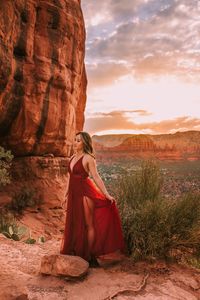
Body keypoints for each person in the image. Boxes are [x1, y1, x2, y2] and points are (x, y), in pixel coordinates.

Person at [60, 131, 125, 267]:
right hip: (73, 194)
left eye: (78, 140)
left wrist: (106, 194)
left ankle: (90, 256)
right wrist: (65, 195)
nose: (75, 142)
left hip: (85, 193)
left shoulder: (89, 158)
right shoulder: (72, 158)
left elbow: (96, 177)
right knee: (74, 223)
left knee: (89, 225)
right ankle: (77, 250)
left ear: (84, 142)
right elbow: (69, 178)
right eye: (75, 139)